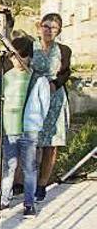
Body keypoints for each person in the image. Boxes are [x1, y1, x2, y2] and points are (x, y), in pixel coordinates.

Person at [0, 37, 51, 217]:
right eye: (14, 56)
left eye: (23, 55)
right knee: (8, 165)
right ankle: (4, 200)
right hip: (9, 128)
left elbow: (44, 105)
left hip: (28, 129)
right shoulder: (6, 77)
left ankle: (29, 203)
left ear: (30, 56)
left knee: (29, 167)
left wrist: (36, 123)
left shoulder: (37, 79)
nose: (18, 60)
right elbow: (1, 101)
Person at [31, 13, 72, 201]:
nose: (48, 30)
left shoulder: (63, 50)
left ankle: (42, 184)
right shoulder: (30, 47)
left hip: (54, 97)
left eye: (53, 28)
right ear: (40, 27)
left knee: (51, 144)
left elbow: (65, 72)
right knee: (31, 141)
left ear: (59, 31)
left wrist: (54, 84)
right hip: (34, 97)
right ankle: (23, 182)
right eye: (46, 26)